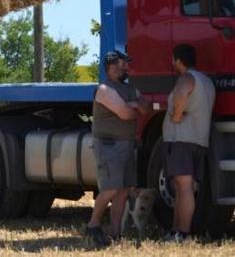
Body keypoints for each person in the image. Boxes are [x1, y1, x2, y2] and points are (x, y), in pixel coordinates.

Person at [85, 50, 151, 247]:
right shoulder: (104, 89)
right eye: (119, 65)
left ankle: (115, 234)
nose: (124, 68)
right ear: (110, 68)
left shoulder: (129, 89)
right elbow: (127, 115)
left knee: (122, 191)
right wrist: (134, 105)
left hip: (126, 144)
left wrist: (134, 103)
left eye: (125, 65)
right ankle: (93, 224)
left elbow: (146, 108)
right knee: (111, 189)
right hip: (109, 146)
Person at [161, 44, 215, 243]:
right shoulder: (206, 81)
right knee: (183, 187)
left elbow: (182, 94)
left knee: (183, 187)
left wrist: (175, 116)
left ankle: (182, 233)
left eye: (173, 59)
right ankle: (175, 230)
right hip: (198, 139)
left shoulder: (186, 78)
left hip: (181, 140)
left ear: (178, 60)